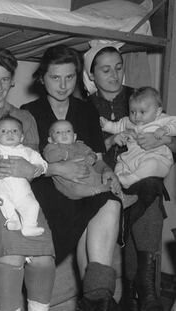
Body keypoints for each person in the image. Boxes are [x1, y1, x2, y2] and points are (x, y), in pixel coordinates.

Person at [22, 45, 122, 310]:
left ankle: (96, 297)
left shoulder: (86, 110)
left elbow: (98, 157)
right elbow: (27, 164)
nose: (63, 84)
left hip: (86, 182)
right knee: (83, 213)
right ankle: (97, 299)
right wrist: (58, 169)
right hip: (48, 187)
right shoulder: (28, 111)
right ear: (42, 78)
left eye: (70, 77)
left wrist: (108, 172)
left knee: (111, 200)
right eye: (55, 77)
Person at [84, 42, 176, 311]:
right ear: (91, 75)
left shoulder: (140, 97)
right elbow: (81, 150)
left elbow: (170, 132)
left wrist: (163, 141)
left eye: (118, 67)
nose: (114, 75)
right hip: (102, 178)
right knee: (145, 194)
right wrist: (111, 140)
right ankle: (138, 294)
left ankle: (144, 294)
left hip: (142, 177)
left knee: (148, 191)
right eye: (105, 70)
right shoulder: (85, 107)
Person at [0, 47, 55, 311]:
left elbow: (35, 162)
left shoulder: (24, 117)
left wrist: (33, 170)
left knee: (43, 258)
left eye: (5, 79)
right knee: (14, 254)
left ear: (13, 81)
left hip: (23, 195)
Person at [0, 114, 47, 237]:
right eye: (4, 131)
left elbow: (40, 161)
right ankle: (13, 220)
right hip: (2, 187)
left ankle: (29, 226)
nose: (9, 134)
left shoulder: (27, 151)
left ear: (21, 137)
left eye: (14, 131)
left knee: (33, 205)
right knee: (4, 203)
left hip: (23, 190)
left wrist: (40, 167)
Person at [100, 86, 176, 188]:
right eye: (132, 112)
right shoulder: (128, 121)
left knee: (152, 165)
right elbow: (117, 126)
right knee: (120, 164)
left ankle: (131, 179)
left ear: (157, 111)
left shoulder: (161, 119)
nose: (136, 117)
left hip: (156, 157)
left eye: (142, 112)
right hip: (132, 157)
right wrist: (107, 125)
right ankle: (120, 180)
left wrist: (166, 130)